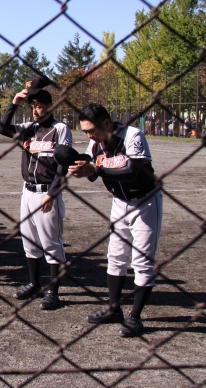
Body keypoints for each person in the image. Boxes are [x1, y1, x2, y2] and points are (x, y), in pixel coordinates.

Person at [69, 103, 162, 337]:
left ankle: (135, 318)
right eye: (85, 132)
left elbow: (133, 171)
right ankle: (113, 309)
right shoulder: (95, 144)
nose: (89, 136)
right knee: (116, 257)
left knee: (141, 261)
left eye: (92, 131)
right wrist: (79, 166)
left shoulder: (132, 135)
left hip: (145, 202)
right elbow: (92, 172)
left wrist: (96, 170)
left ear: (107, 123)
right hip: (119, 202)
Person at [0, 75, 72, 310]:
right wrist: (14, 104)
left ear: (50, 106)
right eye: (32, 107)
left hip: (46, 193)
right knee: (30, 241)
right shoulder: (29, 129)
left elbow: (63, 165)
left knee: (51, 244)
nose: (35, 111)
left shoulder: (60, 129)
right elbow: (2, 128)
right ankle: (34, 283)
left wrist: (53, 193)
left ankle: (53, 292)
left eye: (39, 106)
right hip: (27, 192)